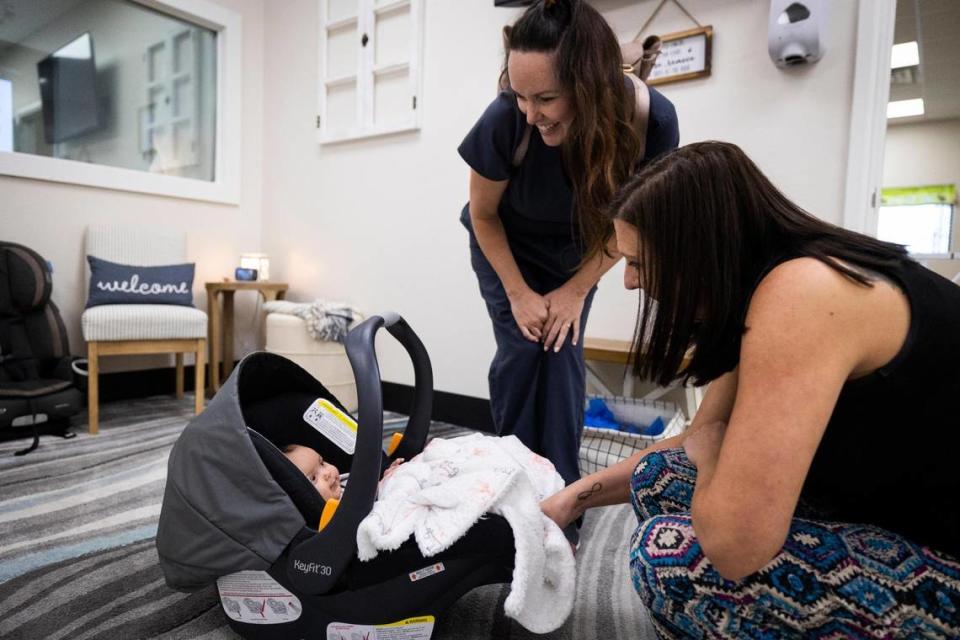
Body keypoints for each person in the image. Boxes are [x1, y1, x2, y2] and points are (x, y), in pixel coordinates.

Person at [541, 141, 960, 638]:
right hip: (887, 505)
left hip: (944, 560)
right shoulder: (762, 285)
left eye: (638, 262)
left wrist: (714, 451)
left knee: (668, 557)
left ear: (696, 252)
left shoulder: (806, 294)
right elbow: (699, 437)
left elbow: (736, 544)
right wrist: (573, 499)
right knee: (659, 476)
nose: (630, 282)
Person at [458, 0, 679, 486]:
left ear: (590, 84)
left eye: (547, 98)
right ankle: (510, 486)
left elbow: (632, 227)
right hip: (506, 243)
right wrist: (518, 293)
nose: (531, 113)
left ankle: (561, 493)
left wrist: (576, 290)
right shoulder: (506, 119)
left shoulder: (651, 121)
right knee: (521, 348)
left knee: (562, 352)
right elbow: (483, 214)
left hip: (584, 250)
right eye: (521, 96)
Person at [283, 444, 403, 501]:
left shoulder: (345, 482)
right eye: (313, 478)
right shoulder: (332, 518)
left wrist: (386, 478)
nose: (326, 473)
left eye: (322, 463)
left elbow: (370, 492)